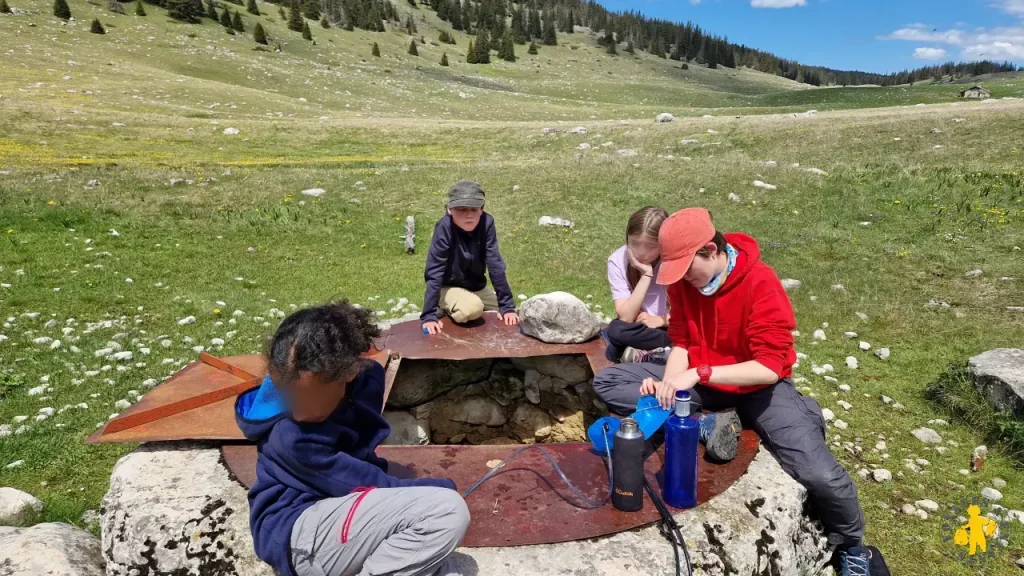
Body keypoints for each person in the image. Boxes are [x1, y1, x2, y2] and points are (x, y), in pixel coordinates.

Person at [592, 208, 884, 575]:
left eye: (688, 270)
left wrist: (698, 373)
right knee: (609, 381)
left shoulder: (760, 282)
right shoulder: (684, 284)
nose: (683, 281)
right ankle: (705, 422)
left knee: (819, 473)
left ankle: (855, 548)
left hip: (759, 389)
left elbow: (768, 367)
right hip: (703, 387)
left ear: (712, 251)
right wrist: (669, 382)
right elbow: (681, 340)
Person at [235, 302, 470, 576]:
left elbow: (360, 461)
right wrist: (441, 487)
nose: (297, 412)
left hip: (340, 516)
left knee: (444, 569)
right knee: (447, 512)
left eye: (308, 397)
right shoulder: (290, 436)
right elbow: (358, 482)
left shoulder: (365, 379)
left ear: (346, 373)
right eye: (288, 395)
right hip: (296, 531)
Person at [421, 181, 519, 335]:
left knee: (511, 312)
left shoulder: (487, 223)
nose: (468, 215)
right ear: (449, 209)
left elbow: (495, 265)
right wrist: (429, 315)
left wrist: (506, 306)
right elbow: (435, 270)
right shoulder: (444, 228)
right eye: (461, 209)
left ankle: (465, 302)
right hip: (447, 287)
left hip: (476, 287)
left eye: (474, 209)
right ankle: (444, 306)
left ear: (482, 209)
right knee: (473, 309)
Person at [603, 206, 673, 363]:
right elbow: (626, 317)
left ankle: (664, 351)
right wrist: (646, 275)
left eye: (650, 246)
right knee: (616, 331)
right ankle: (664, 352)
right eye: (634, 243)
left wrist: (661, 320)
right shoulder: (618, 260)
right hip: (641, 328)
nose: (641, 252)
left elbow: (691, 313)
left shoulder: (674, 260)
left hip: (672, 325)